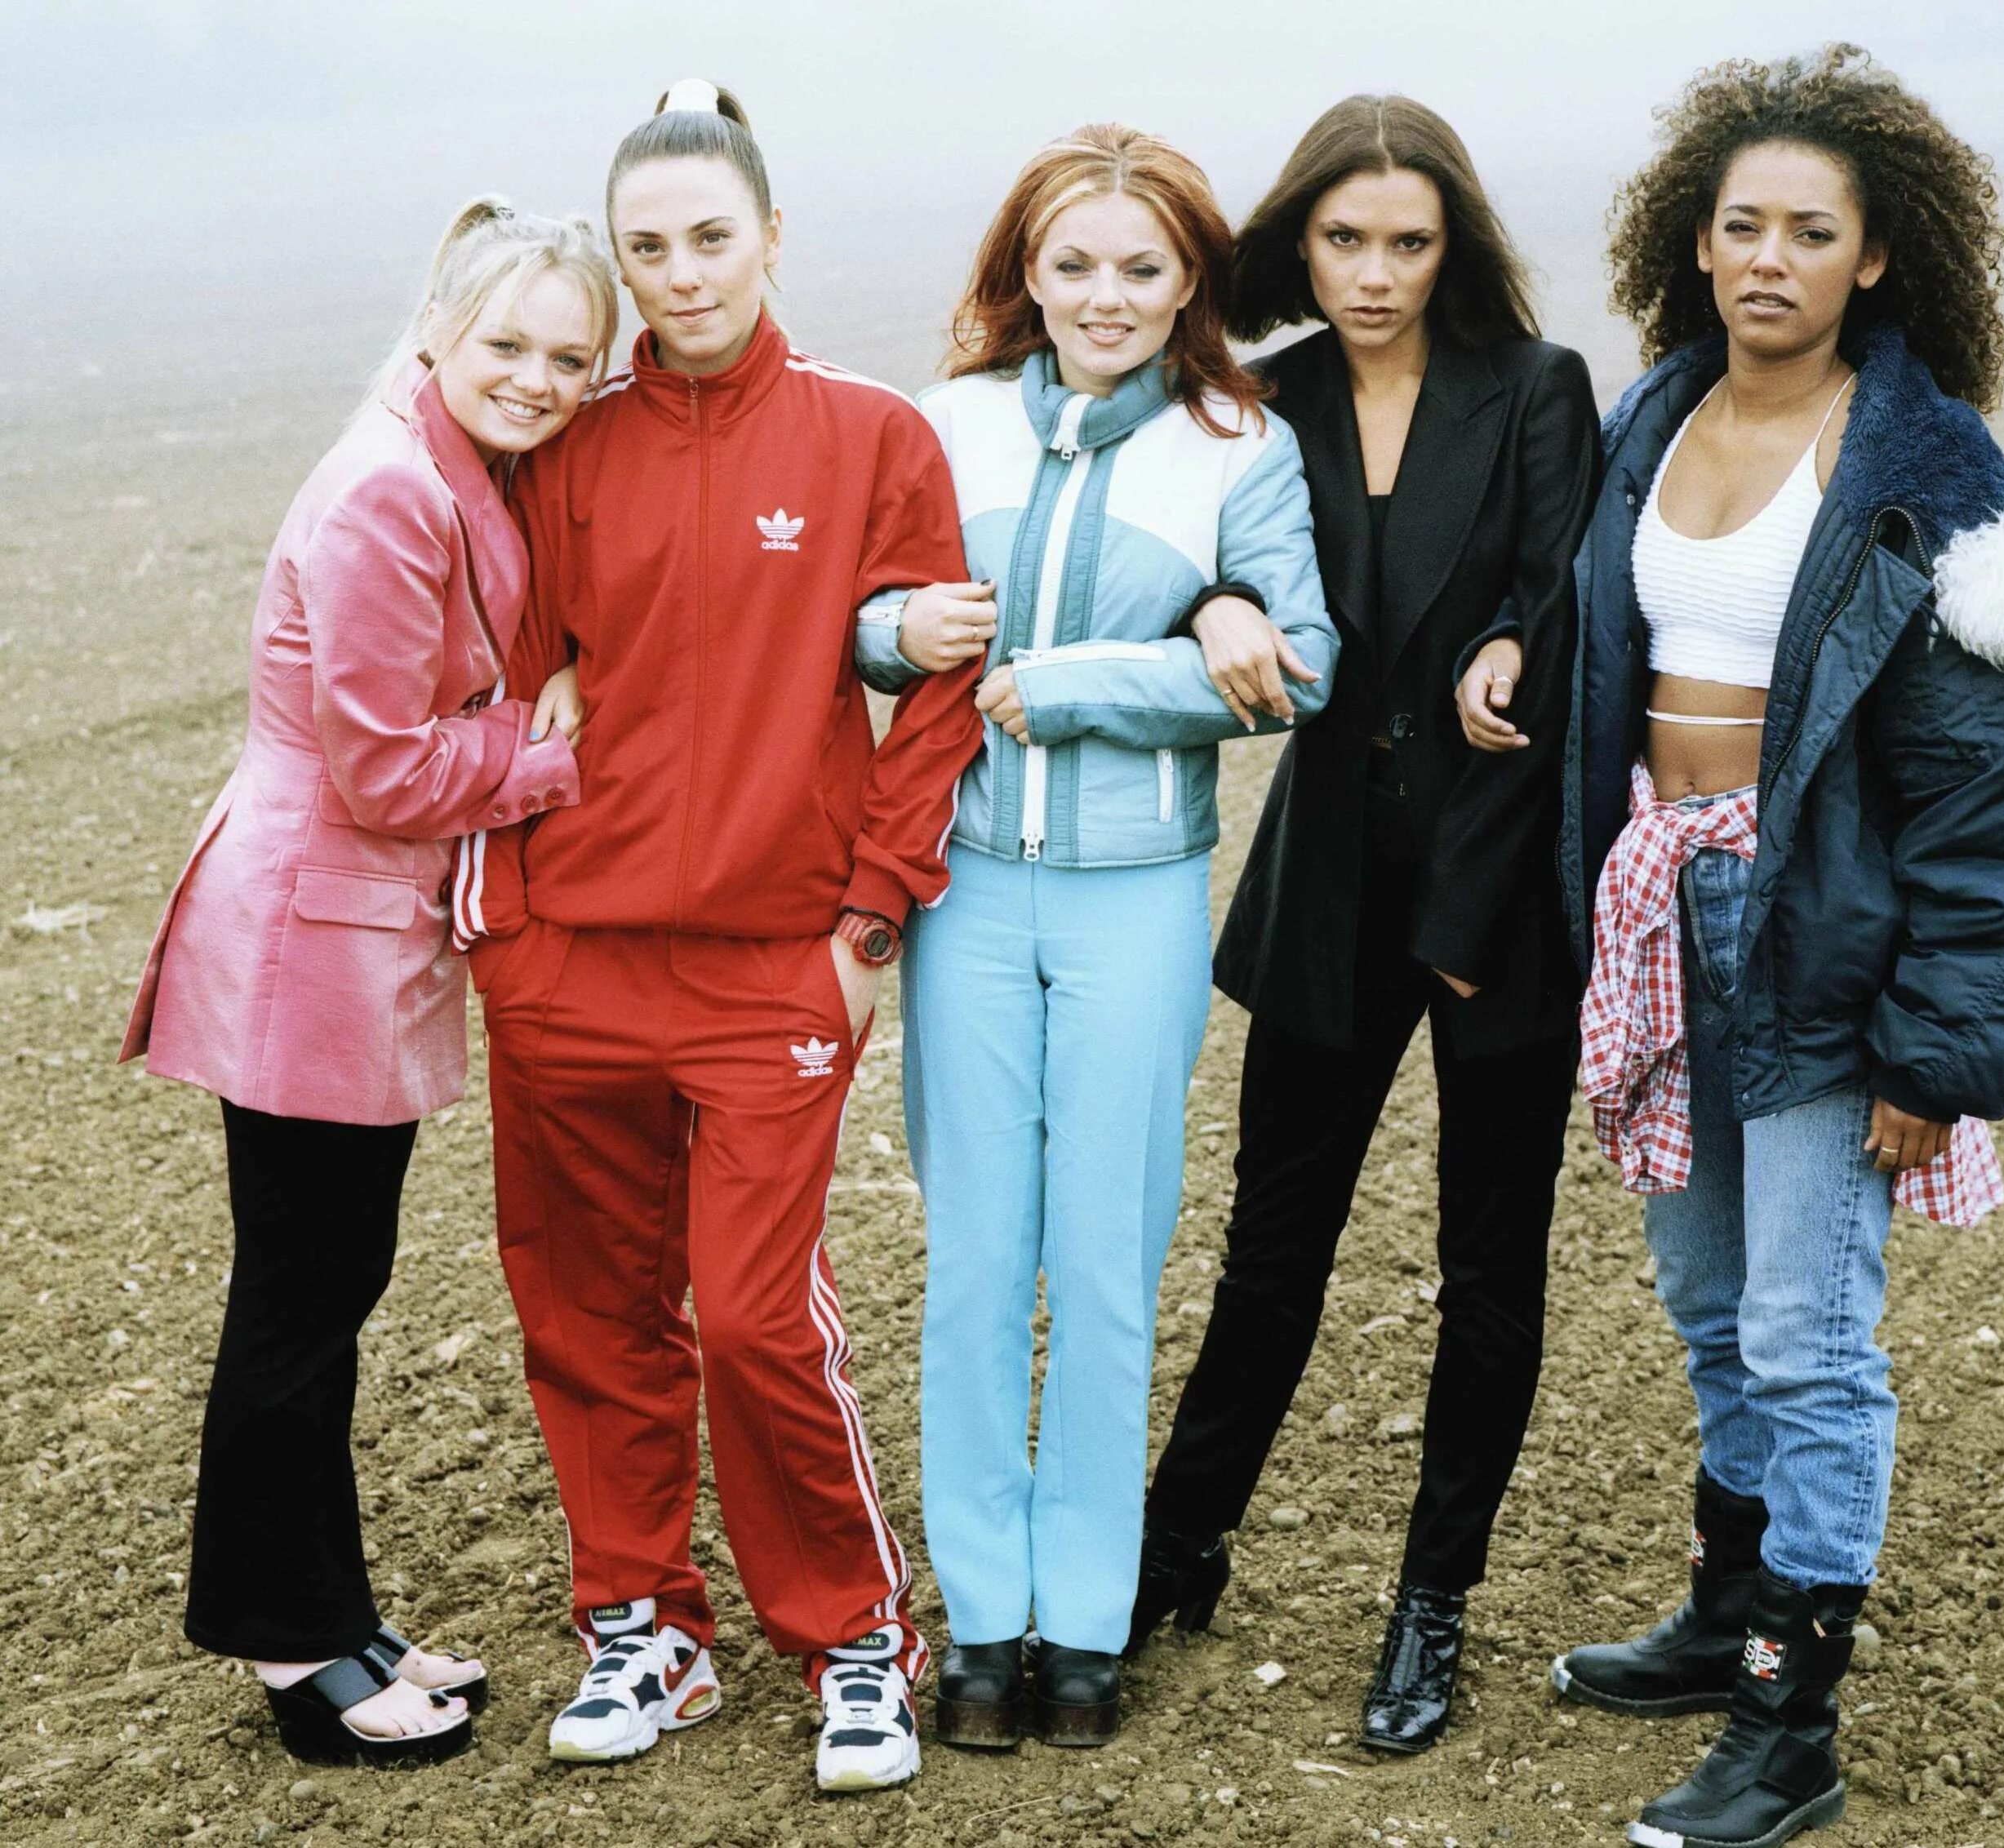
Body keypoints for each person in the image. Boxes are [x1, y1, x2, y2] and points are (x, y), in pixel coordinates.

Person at [1516, 47, 2004, 1848]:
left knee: (1807, 1338)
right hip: (1662, 910)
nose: (1767, 259)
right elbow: (1594, 646)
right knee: (1713, 1312)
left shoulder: (1926, 472)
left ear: (1876, 256)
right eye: (1741, 226)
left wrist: (1938, 1058)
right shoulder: (1651, 421)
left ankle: (1790, 1724)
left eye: (1809, 231)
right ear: (1694, 242)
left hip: (1822, 944)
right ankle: (1725, 1615)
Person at [461, 81, 981, 1792]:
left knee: (757, 1316)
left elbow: (941, 692)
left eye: (709, 238)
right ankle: (644, 1628)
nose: (681, 275)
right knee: (592, 1308)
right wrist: (514, 931)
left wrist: (870, 917)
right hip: (572, 960)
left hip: (774, 964)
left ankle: (854, 1640)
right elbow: (507, 675)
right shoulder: (571, 445)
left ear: (771, 236)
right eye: (647, 248)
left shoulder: (869, 437)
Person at [1124, 94, 1599, 1755]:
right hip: (1328, 884)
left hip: (1494, 892)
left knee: (1488, 1272)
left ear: (1452, 245)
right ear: (1300, 242)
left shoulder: (1536, 388)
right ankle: (1175, 1552)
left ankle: (1433, 1602)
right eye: (1344, 240)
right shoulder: (1259, 402)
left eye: (1408, 240)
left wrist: (1511, 643)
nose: (1376, 272)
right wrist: (1217, 598)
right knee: (1271, 1254)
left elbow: (1563, 598)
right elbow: (1184, 564)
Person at [119, 198, 610, 1765]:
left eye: (570, 358)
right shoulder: (391, 491)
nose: (537, 379)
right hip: (309, 933)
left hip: (345, 930)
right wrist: (551, 747)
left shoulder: (447, 456)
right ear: (439, 329)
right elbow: (389, 771)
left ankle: (333, 1612)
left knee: (325, 1286)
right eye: (508, 343)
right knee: (299, 1299)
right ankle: (295, 1652)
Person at [873, 122, 1334, 1752]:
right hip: (966, 893)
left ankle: (1084, 1620)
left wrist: (1081, 683)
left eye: (1143, 267)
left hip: (1137, 895)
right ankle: (979, 1621)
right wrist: (894, 629)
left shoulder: (1237, 444)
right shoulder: (943, 425)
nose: (1105, 296)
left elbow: (1301, 663)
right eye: (1073, 264)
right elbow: (853, 620)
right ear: (1027, 270)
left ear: (1191, 278)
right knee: (975, 1264)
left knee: (1106, 1260)